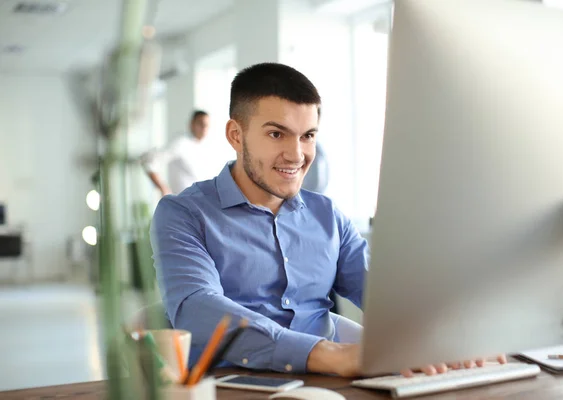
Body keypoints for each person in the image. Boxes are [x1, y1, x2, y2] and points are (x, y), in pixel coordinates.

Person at [150, 63, 504, 378]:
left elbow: (381, 292)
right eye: (277, 134)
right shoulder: (182, 214)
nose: (297, 154)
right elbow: (197, 309)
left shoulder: (328, 216)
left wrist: (451, 335)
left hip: (329, 385)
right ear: (235, 135)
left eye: (308, 136)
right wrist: (328, 354)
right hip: (232, 387)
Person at [141, 110, 211, 196]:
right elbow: (149, 161)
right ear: (192, 124)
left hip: (199, 204)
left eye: (206, 125)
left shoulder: (205, 149)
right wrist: (163, 188)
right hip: (182, 204)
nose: (204, 128)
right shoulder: (181, 143)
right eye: (201, 124)